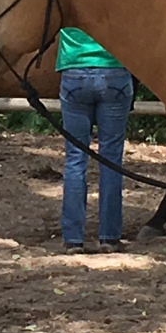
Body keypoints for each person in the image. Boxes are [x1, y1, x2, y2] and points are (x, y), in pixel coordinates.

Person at [56, 26, 133, 253]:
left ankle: (73, 239)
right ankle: (109, 237)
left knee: (75, 158)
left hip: (74, 72)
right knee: (111, 159)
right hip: (115, 71)